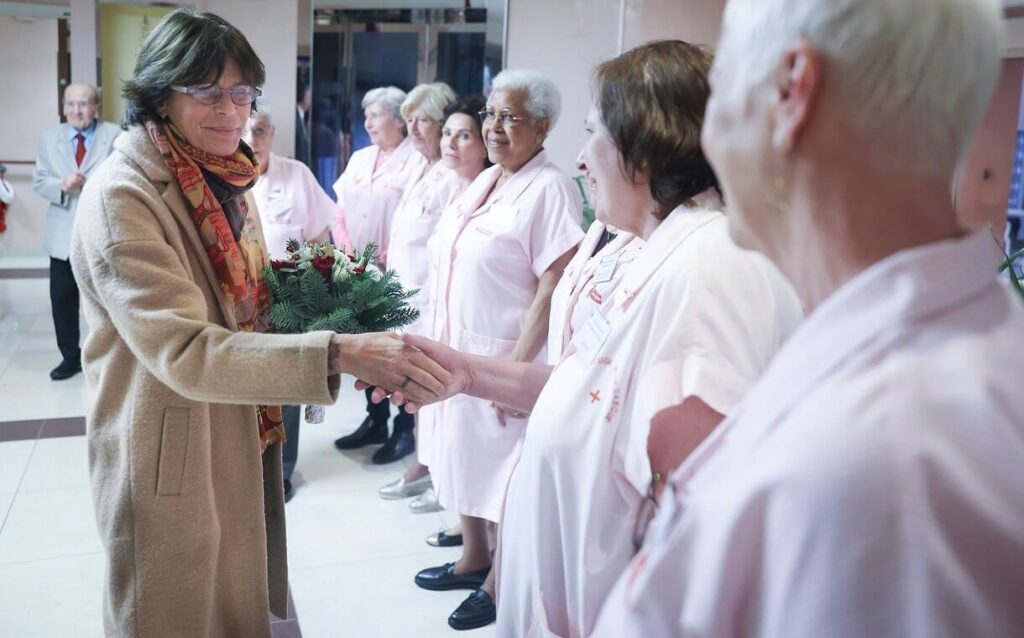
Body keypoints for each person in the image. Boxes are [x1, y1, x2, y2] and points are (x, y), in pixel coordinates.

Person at [591, 1, 1024, 636]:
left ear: (791, 91)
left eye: (723, 82)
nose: (705, 132)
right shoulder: (947, 352)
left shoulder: (879, 465)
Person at [390, 42, 804, 635]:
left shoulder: (716, 265)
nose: (581, 159)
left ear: (646, 145)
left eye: (594, 134)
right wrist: (466, 372)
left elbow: (701, 514)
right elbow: (590, 383)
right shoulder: (658, 244)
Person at [68, 10, 449, 637]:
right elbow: (187, 349)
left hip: (234, 424)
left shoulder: (222, 174)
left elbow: (245, 297)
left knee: (236, 603)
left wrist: (340, 305)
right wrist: (340, 351)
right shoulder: (123, 196)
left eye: (242, 92)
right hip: (167, 444)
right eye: (209, 92)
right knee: (173, 610)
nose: (231, 110)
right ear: (160, 94)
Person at [412, 69, 585, 631]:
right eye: (490, 114)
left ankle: (499, 577)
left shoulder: (549, 187)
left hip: (508, 355)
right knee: (465, 457)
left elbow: (552, 282)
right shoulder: (486, 182)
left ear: (543, 126)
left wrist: (512, 371)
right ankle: (473, 555)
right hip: (460, 349)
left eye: (511, 117)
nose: (495, 128)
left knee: (506, 477)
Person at [242, 108, 335, 502]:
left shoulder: (296, 176)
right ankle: (244, 464)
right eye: (245, 129)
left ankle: (281, 469)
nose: (251, 136)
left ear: (272, 133)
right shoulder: (216, 176)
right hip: (240, 300)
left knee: (288, 385)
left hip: (289, 296)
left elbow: (322, 241)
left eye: (259, 129)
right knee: (244, 384)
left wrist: (319, 301)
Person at [332, 86, 429, 456]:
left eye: (376, 115)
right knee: (366, 346)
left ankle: (404, 428)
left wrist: (382, 257)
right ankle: (375, 419)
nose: (367, 122)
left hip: (395, 270)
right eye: (366, 115)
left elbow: (414, 218)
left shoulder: (416, 160)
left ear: (399, 119)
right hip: (356, 270)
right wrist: (348, 254)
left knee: (397, 349)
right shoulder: (359, 157)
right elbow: (339, 211)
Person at [372, 82, 457, 468]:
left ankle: (426, 466)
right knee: (410, 385)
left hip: (429, 301)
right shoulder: (423, 167)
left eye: (422, 120)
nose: (414, 130)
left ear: (442, 122)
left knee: (426, 388)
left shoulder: (453, 175)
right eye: (409, 121)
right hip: (405, 295)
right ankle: (421, 463)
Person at [32, 83, 121, 380]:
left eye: (83, 104)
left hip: (102, 232)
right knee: (63, 300)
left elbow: (124, 175)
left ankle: (111, 357)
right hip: (61, 236)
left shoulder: (115, 135)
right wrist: (61, 184)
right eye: (70, 104)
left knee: (107, 299)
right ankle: (70, 357)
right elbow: (39, 180)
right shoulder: (49, 138)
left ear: (96, 106)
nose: (76, 110)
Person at [295, 80, 312, 168]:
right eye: (309, 97)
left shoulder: (302, 117)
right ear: (305, 98)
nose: (310, 101)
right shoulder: (295, 117)